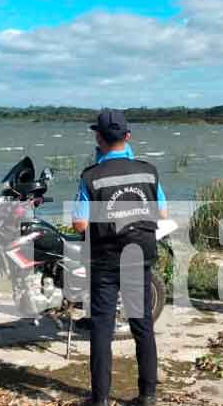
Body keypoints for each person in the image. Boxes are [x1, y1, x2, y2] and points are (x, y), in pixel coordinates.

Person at [72, 109, 163, 406]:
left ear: (98, 137)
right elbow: (161, 212)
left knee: (101, 327)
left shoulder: (91, 176)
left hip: (106, 259)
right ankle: (148, 394)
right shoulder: (148, 171)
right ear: (128, 137)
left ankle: (100, 399)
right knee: (142, 323)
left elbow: (80, 224)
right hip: (140, 254)